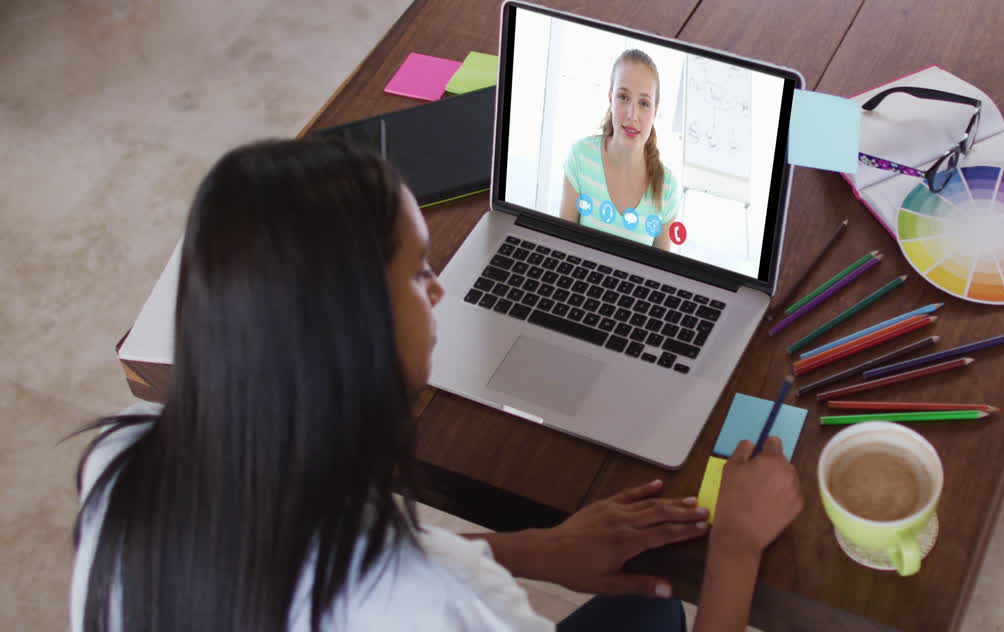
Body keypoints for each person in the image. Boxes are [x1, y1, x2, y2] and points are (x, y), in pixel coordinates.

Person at [71, 138, 802, 632]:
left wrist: (534, 550)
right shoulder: (443, 606)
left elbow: (321, 558)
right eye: (421, 273)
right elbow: (411, 587)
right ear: (358, 333)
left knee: (645, 611)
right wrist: (735, 545)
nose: (442, 292)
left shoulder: (123, 465)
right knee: (661, 609)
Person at [559, 49, 680, 250]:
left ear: (655, 112)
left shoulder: (668, 188)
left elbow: (663, 272)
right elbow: (561, 244)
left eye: (644, 103)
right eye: (623, 97)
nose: (632, 114)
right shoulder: (581, 157)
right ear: (610, 99)